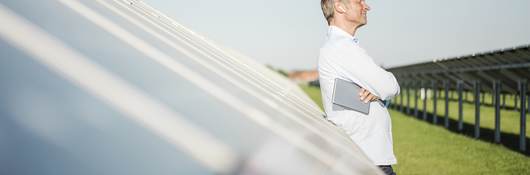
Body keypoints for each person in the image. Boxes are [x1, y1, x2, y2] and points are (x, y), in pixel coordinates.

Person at [318, 0, 400, 174]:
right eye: (359, 1)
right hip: (365, 160)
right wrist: (381, 91)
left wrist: (377, 94)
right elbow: (390, 86)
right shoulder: (342, 47)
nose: (367, 6)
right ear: (339, 6)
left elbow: (382, 90)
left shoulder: (341, 46)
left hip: (363, 157)